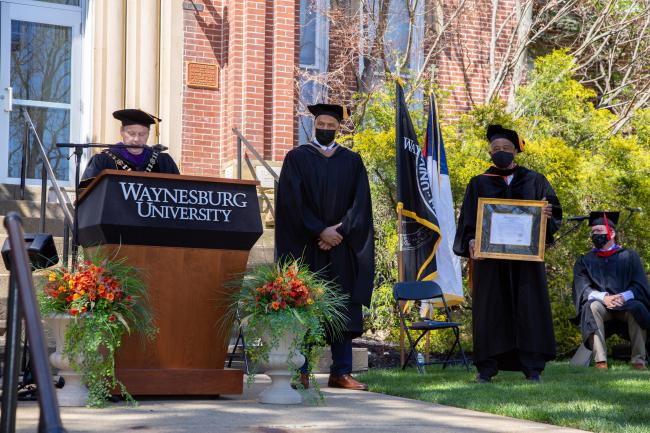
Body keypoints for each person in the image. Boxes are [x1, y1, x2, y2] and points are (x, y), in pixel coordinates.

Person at [275, 103, 374, 391]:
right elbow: (291, 202)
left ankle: (340, 372)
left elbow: (360, 204)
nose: (327, 130)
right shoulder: (296, 158)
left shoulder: (352, 161)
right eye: (322, 125)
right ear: (313, 124)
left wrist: (338, 231)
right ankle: (300, 370)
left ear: (338, 128)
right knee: (304, 305)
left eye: (332, 126)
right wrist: (320, 230)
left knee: (342, 306)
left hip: (340, 247)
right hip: (306, 246)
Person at [453, 124, 562, 383]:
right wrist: (470, 240)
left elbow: (553, 212)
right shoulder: (479, 182)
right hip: (491, 262)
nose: (500, 152)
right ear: (490, 152)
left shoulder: (535, 180)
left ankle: (532, 367)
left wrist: (547, 215)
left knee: (529, 308)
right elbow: (468, 220)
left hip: (526, 262)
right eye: (495, 149)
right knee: (491, 310)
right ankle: (487, 368)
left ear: (516, 150)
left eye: (505, 148)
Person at [572, 211, 650, 370]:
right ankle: (601, 362)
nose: (595, 235)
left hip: (626, 306)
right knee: (591, 306)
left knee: (638, 308)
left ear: (612, 233)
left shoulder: (629, 256)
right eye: (593, 232)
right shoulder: (585, 260)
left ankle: (638, 361)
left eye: (599, 231)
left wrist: (623, 296)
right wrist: (604, 298)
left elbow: (640, 285)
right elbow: (583, 287)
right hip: (602, 306)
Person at [81, 109, 179, 181]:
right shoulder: (103, 160)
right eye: (131, 134)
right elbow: (86, 195)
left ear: (148, 134)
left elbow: (179, 194)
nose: (136, 139)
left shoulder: (163, 161)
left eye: (142, 134)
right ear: (122, 132)